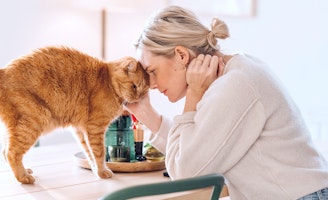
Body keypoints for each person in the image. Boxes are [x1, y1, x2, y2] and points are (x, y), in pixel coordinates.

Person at [125, 5, 328, 200]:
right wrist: (145, 112)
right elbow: (195, 150)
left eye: (152, 71)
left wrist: (194, 94)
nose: (150, 84)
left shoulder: (236, 84)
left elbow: (185, 171)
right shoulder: (232, 74)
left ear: (181, 55)